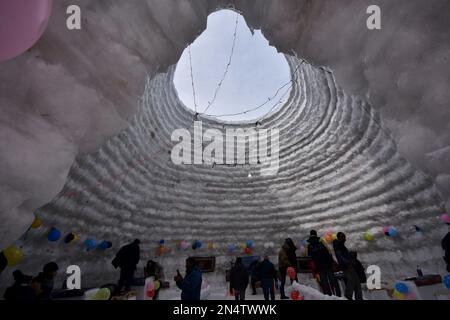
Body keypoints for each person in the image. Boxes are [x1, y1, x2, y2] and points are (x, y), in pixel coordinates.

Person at [307, 230, 341, 296]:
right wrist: (331, 262)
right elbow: (329, 252)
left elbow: (309, 256)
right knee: (333, 281)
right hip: (327, 265)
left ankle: (328, 296)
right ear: (316, 234)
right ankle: (338, 295)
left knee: (324, 282)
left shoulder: (309, 246)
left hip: (319, 267)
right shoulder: (321, 242)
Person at [333, 232, 363, 300]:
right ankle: (348, 297)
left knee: (357, 282)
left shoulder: (341, 245)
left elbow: (343, 255)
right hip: (346, 267)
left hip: (349, 266)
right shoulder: (338, 245)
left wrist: (351, 257)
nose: (345, 239)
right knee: (352, 281)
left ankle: (359, 298)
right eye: (343, 237)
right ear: (340, 238)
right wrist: (348, 262)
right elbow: (339, 256)